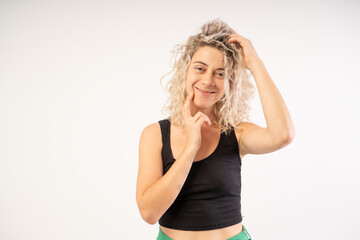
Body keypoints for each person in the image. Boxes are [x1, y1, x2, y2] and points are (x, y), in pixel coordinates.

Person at [136, 19, 295, 240]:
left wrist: (255, 63)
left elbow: (283, 135)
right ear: (185, 70)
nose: (208, 80)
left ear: (230, 82)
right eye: (200, 68)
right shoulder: (154, 135)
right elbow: (149, 212)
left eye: (220, 73)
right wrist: (191, 147)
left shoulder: (237, 134)